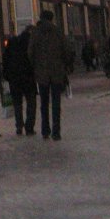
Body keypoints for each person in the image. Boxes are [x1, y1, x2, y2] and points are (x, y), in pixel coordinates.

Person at [28, 10, 73, 141]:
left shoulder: (35, 33)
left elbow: (30, 52)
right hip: (57, 72)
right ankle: (56, 131)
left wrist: (35, 66)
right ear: (52, 18)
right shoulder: (58, 32)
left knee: (44, 103)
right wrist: (65, 65)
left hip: (41, 73)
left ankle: (45, 130)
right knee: (56, 103)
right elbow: (66, 50)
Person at [2, 24, 36, 136]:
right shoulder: (31, 44)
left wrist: (7, 75)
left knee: (17, 103)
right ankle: (29, 127)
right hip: (28, 77)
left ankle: (19, 126)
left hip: (14, 78)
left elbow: (5, 59)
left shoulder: (12, 42)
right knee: (31, 102)